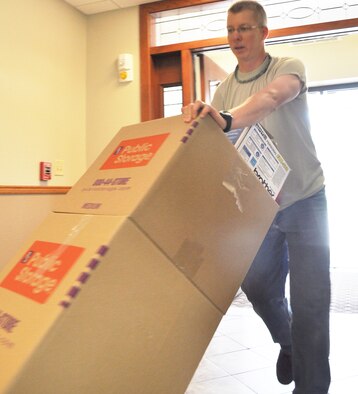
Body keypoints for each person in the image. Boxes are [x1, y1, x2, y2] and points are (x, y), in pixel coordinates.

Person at [182, 1, 331, 393]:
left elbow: (271, 99)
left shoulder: (288, 67)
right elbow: (214, 146)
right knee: (259, 286)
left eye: (246, 28)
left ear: (264, 33)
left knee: (311, 306)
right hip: (261, 210)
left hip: (306, 200)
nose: (237, 37)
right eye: (231, 30)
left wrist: (228, 117)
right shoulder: (224, 89)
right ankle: (288, 344)